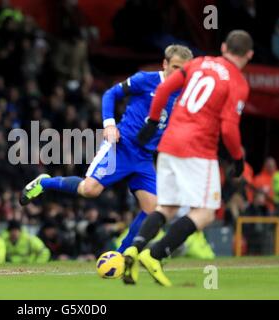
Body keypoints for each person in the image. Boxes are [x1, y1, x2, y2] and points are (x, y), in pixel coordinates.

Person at [19, 45, 193, 253]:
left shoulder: (184, 94)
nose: (178, 73)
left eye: (183, 69)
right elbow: (110, 94)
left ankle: (121, 255)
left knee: (153, 210)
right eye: (174, 66)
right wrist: (109, 124)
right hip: (121, 147)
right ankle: (45, 182)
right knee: (89, 190)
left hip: (144, 157)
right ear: (165, 64)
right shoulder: (145, 80)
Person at [122, 30, 253, 287]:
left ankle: (134, 249)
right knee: (206, 212)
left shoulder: (199, 63)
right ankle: (155, 254)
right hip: (198, 148)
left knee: (167, 207)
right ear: (249, 55)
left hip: (169, 143)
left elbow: (164, 88)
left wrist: (151, 121)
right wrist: (237, 158)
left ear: (224, 47)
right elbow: (228, 128)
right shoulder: (237, 82)